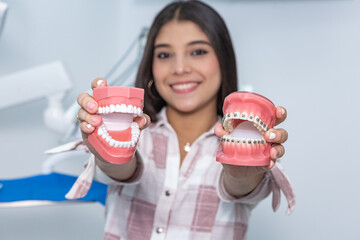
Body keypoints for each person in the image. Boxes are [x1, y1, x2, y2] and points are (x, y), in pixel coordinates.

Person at [76, 1, 295, 239]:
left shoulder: (251, 143)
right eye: (164, 54)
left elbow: (240, 184)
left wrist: (241, 170)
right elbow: (122, 168)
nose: (179, 68)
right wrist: (107, 148)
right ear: (151, 67)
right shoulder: (135, 134)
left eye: (198, 51)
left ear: (223, 60)